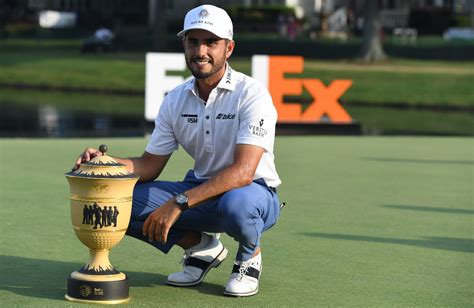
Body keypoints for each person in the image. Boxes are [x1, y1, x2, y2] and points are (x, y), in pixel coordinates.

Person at [73, 4, 281, 297]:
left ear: (229, 48)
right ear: (184, 44)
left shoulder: (252, 94)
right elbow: (149, 165)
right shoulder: (176, 99)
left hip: (254, 194)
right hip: (200, 191)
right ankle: (201, 247)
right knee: (119, 201)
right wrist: (104, 162)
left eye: (211, 42)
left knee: (237, 206)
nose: (201, 51)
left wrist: (179, 203)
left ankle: (249, 256)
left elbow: (243, 173)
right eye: (193, 41)